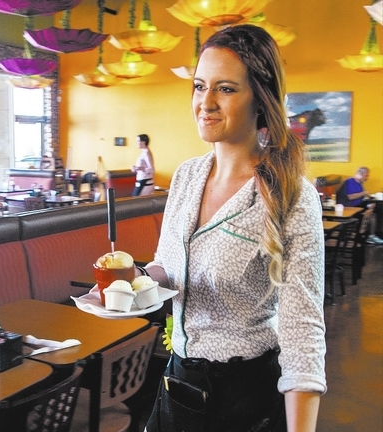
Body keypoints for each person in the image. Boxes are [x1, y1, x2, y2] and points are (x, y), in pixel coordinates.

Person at [142, 25, 325, 432]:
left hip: (246, 398)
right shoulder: (187, 176)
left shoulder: (290, 195)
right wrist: (129, 284)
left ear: (260, 99)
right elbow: (166, 268)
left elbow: (302, 333)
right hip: (178, 383)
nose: (205, 102)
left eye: (225, 89)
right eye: (199, 86)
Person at [336, 167, 383, 245]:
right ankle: (369, 236)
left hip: (358, 205)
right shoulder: (350, 182)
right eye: (366, 175)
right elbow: (350, 197)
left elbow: (360, 198)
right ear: (360, 174)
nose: (367, 178)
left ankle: (372, 235)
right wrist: (363, 193)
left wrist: (369, 202)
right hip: (350, 208)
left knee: (378, 209)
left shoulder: (359, 184)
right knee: (374, 213)